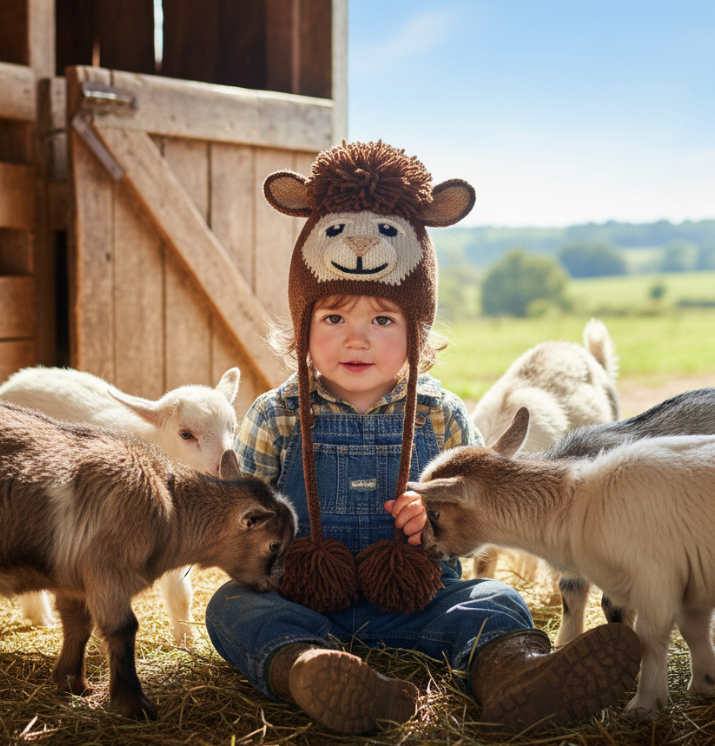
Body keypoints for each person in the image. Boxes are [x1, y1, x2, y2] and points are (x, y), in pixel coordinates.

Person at [205, 141, 641, 735]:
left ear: (417, 329)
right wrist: (271, 542)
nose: (356, 339)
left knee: (495, 601)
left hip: (417, 603)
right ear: (304, 326)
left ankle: (515, 676)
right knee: (232, 609)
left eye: (382, 319)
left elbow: (478, 509)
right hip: (304, 604)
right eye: (333, 318)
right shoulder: (275, 414)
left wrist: (432, 524)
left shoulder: (442, 416)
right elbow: (241, 524)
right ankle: (307, 671)